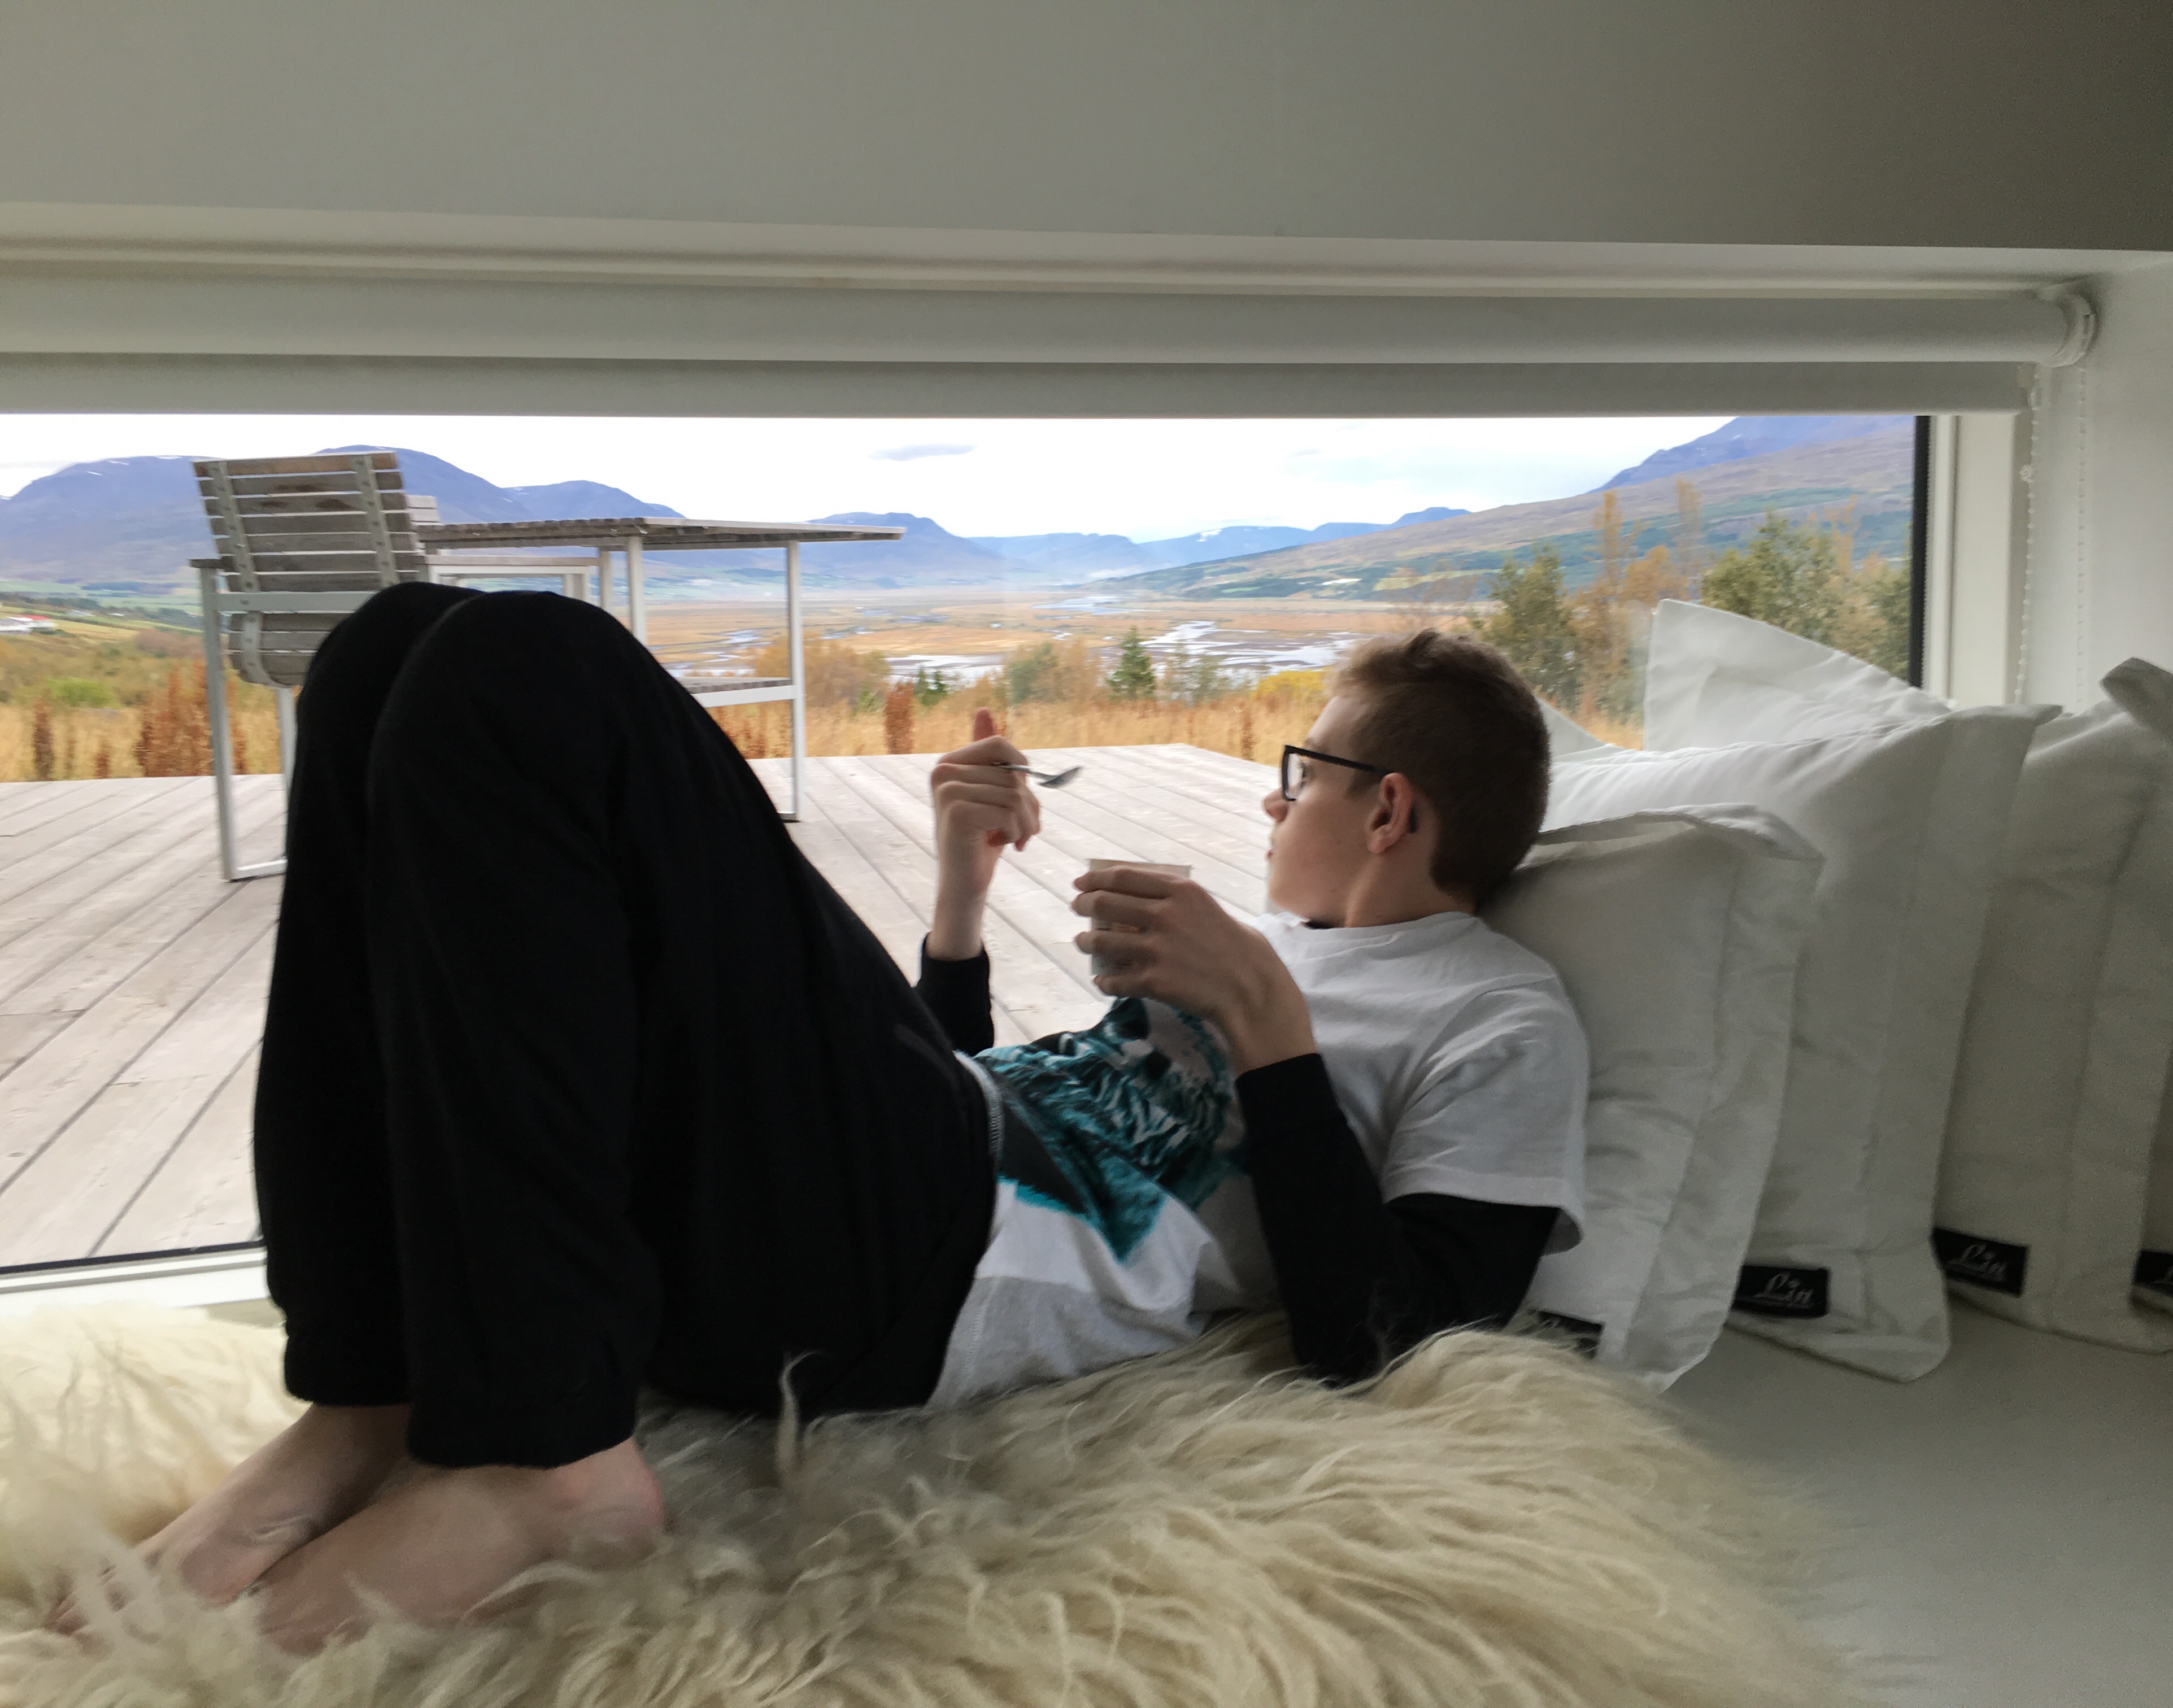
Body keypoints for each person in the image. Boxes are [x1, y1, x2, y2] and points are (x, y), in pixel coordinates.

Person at [50, 585, 1584, 1655]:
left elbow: (1400, 1335)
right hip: (909, 1181)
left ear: (1389, 809)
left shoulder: (1498, 1016)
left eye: (1300, 772)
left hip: (928, 1276)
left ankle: (550, 1467)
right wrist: (962, 902)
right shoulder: (1287, 949)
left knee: (528, 669)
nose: (1271, 803)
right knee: (387, 649)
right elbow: (995, 1103)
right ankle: (372, 1391)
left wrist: (1266, 1026)